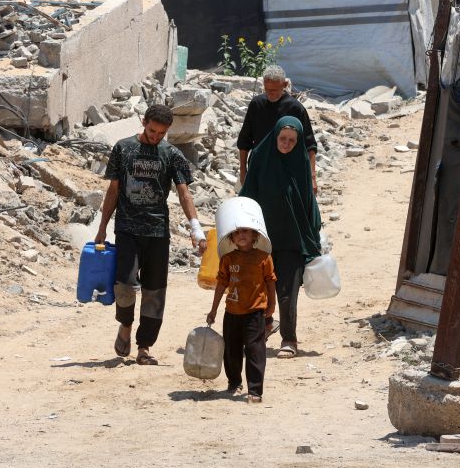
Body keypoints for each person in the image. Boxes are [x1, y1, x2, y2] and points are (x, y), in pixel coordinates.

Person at [95, 104, 207, 366]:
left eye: (161, 133)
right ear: (143, 122)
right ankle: (125, 324)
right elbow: (113, 190)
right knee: (124, 284)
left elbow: (184, 193)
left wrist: (196, 228)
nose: (156, 136)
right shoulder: (123, 148)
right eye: (152, 130)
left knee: (154, 291)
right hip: (127, 229)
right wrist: (102, 228)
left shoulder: (172, 154)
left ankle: (144, 346)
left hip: (157, 231)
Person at [239, 116, 322, 359]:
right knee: (257, 290)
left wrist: (313, 236)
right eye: (283, 139)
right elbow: (247, 196)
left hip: (292, 240)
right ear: (275, 136)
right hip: (261, 239)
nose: (286, 144)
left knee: (287, 292)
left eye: (292, 141)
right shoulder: (261, 160)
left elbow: (309, 203)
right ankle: (260, 331)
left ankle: (289, 338)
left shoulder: (300, 165)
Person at [206, 227, 276, 403]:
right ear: (231, 238)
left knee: (255, 350)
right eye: (237, 233)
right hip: (232, 313)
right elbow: (221, 284)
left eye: (246, 231)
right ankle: (234, 381)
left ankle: (255, 390)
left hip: (255, 312)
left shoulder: (263, 257)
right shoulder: (228, 259)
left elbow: (270, 282)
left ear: (255, 235)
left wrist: (271, 307)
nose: (242, 235)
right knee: (231, 350)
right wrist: (213, 310)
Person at [237, 65, 319, 194]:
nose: (270, 94)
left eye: (274, 90)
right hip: (259, 168)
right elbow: (244, 140)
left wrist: (312, 177)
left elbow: (309, 145)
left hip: (287, 170)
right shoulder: (257, 104)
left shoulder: (295, 108)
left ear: (285, 84)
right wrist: (243, 170)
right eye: (267, 89)